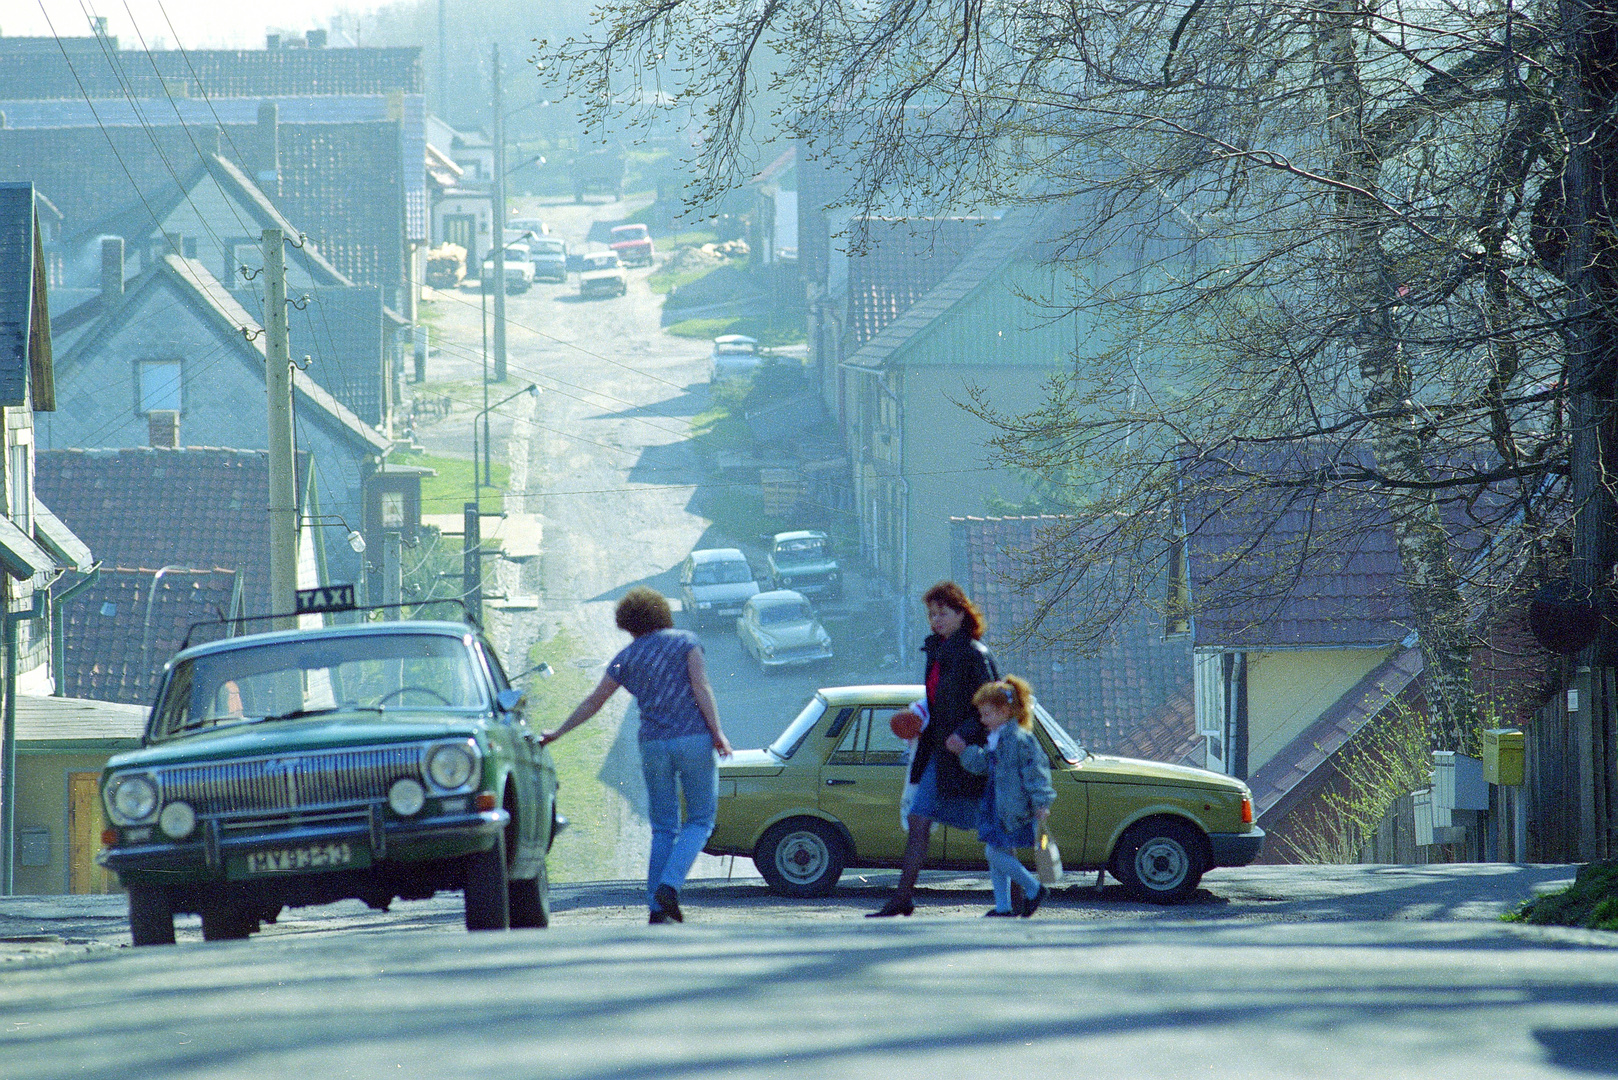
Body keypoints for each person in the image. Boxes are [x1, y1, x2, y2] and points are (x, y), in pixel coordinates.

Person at [541, 586, 733, 924]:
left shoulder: (625, 658)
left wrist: (557, 733)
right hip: (692, 740)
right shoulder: (687, 642)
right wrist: (717, 732)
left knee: (663, 827)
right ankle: (670, 887)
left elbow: (593, 702)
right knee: (700, 820)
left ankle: (657, 909)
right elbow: (701, 688)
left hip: (653, 745)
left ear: (628, 623)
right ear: (661, 612)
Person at [869, 581, 1000, 917]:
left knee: (995, 828)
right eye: (931, 614)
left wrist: (966, 733)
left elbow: (993, 705)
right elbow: (936, 702)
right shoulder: (935, 651)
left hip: (970, 757)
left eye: (942, 613)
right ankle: (902, 899)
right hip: (938, 755)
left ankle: (1024, 892)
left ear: (961, 613)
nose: (936, 619)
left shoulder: (975, 655)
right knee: (918, 818)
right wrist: (918, 713)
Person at [946, 676, 1056, 917]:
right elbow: (984, 764)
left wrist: (1041, 802)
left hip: (1012, 806)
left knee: (994, 853)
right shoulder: (1000, 739)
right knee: (998, 854)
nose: (983, 720)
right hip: (999, 805)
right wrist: (964, 751)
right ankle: (1003, 906)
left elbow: (1035, 772)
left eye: (987, 714)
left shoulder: (1019, 740)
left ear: (1004, 711)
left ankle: (1034, 888)